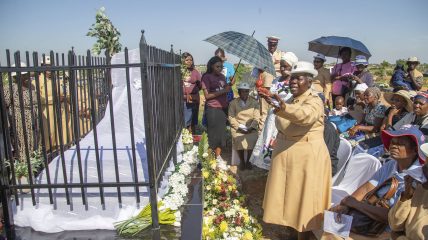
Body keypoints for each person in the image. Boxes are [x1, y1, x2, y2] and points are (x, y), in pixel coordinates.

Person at [261, 61, 331, 239]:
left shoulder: (314, 100)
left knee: (304, 205)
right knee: (289, 202)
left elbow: (304, 116)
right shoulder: (290, 99)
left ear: (309, 81)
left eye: (298, 78)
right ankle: (291, 231)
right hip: (287, 158)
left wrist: (283, 108)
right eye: (292, 78)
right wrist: (281, 106)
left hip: (306, 161)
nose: (292, 81)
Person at [324, 125, 425, 239]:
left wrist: (354, 204)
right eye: (393, 142)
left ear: (415, 150)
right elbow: (367, 188)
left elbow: (394, 217)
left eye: (400, 143)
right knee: (325, 223)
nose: (393, 146)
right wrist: (345, 205)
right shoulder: (391, 164)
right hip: (367, 218)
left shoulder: (418, 178)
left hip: (387, 230)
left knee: (331, 235)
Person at [249, 52, 297, 170]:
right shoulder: (276, 80)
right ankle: (266, 166)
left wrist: (274, 99)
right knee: (268, 139)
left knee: (278, 142)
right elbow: (272, 97)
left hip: (285, 116)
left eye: (285, 66)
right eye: (281, 65)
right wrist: (266, 96)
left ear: (292, 66)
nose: (282, 68)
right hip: (272, 116)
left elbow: (292, 101)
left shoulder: (294, 83)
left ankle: (278, 166)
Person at [388, 143, 428, 240]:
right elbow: (394, 225)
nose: (423, 168)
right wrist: (406, 196)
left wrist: (399, 237)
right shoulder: (420, 187)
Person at [3, 62, 39, 162]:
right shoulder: (10, 88)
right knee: (22, 142)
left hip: (33, 119)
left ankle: (33, 162)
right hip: (19, 119)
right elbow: (5, 105)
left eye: (26, 74)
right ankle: (24, 164)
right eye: (23, 75)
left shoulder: (31, 86)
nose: (26, 77)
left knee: (33, 141)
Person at [201, 56, 230, 157]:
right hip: (212, 109)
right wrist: (223, 91)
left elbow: (226, 87)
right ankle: (210, 157)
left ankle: (218, 157)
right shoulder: (206, 77)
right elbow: (207, 96)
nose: (220, 69)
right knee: (213, 135)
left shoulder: (222, 77)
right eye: (217, 66)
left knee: (221, 134)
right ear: (211, 66)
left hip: (222, 108)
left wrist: (230, 83)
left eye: (221, 67)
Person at [228, 82, 259, 170]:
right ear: (239, 92)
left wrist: (251, 127)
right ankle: (242, 161)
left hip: (250, 127)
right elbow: (231, 118)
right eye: (242, 91)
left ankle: (248, 161)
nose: (244, 93)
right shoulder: (233, 103)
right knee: (238, 138)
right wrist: (240, 127)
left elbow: (257, 117)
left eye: (246, 91)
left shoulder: (254, 102)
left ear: (248, 92)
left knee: (252, 139)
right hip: (238, 127)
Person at [181, 52, 202, 133]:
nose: (189, 61)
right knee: (185, 123)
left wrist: (192, 91)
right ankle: (185, 140)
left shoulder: (195, 72)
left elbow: (200, 85)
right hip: (183, 100)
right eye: (187, 60)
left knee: (193, 122)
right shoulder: (179, 72)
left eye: (191, 60)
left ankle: (191, 139)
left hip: (193, 100)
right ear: (182, 61)